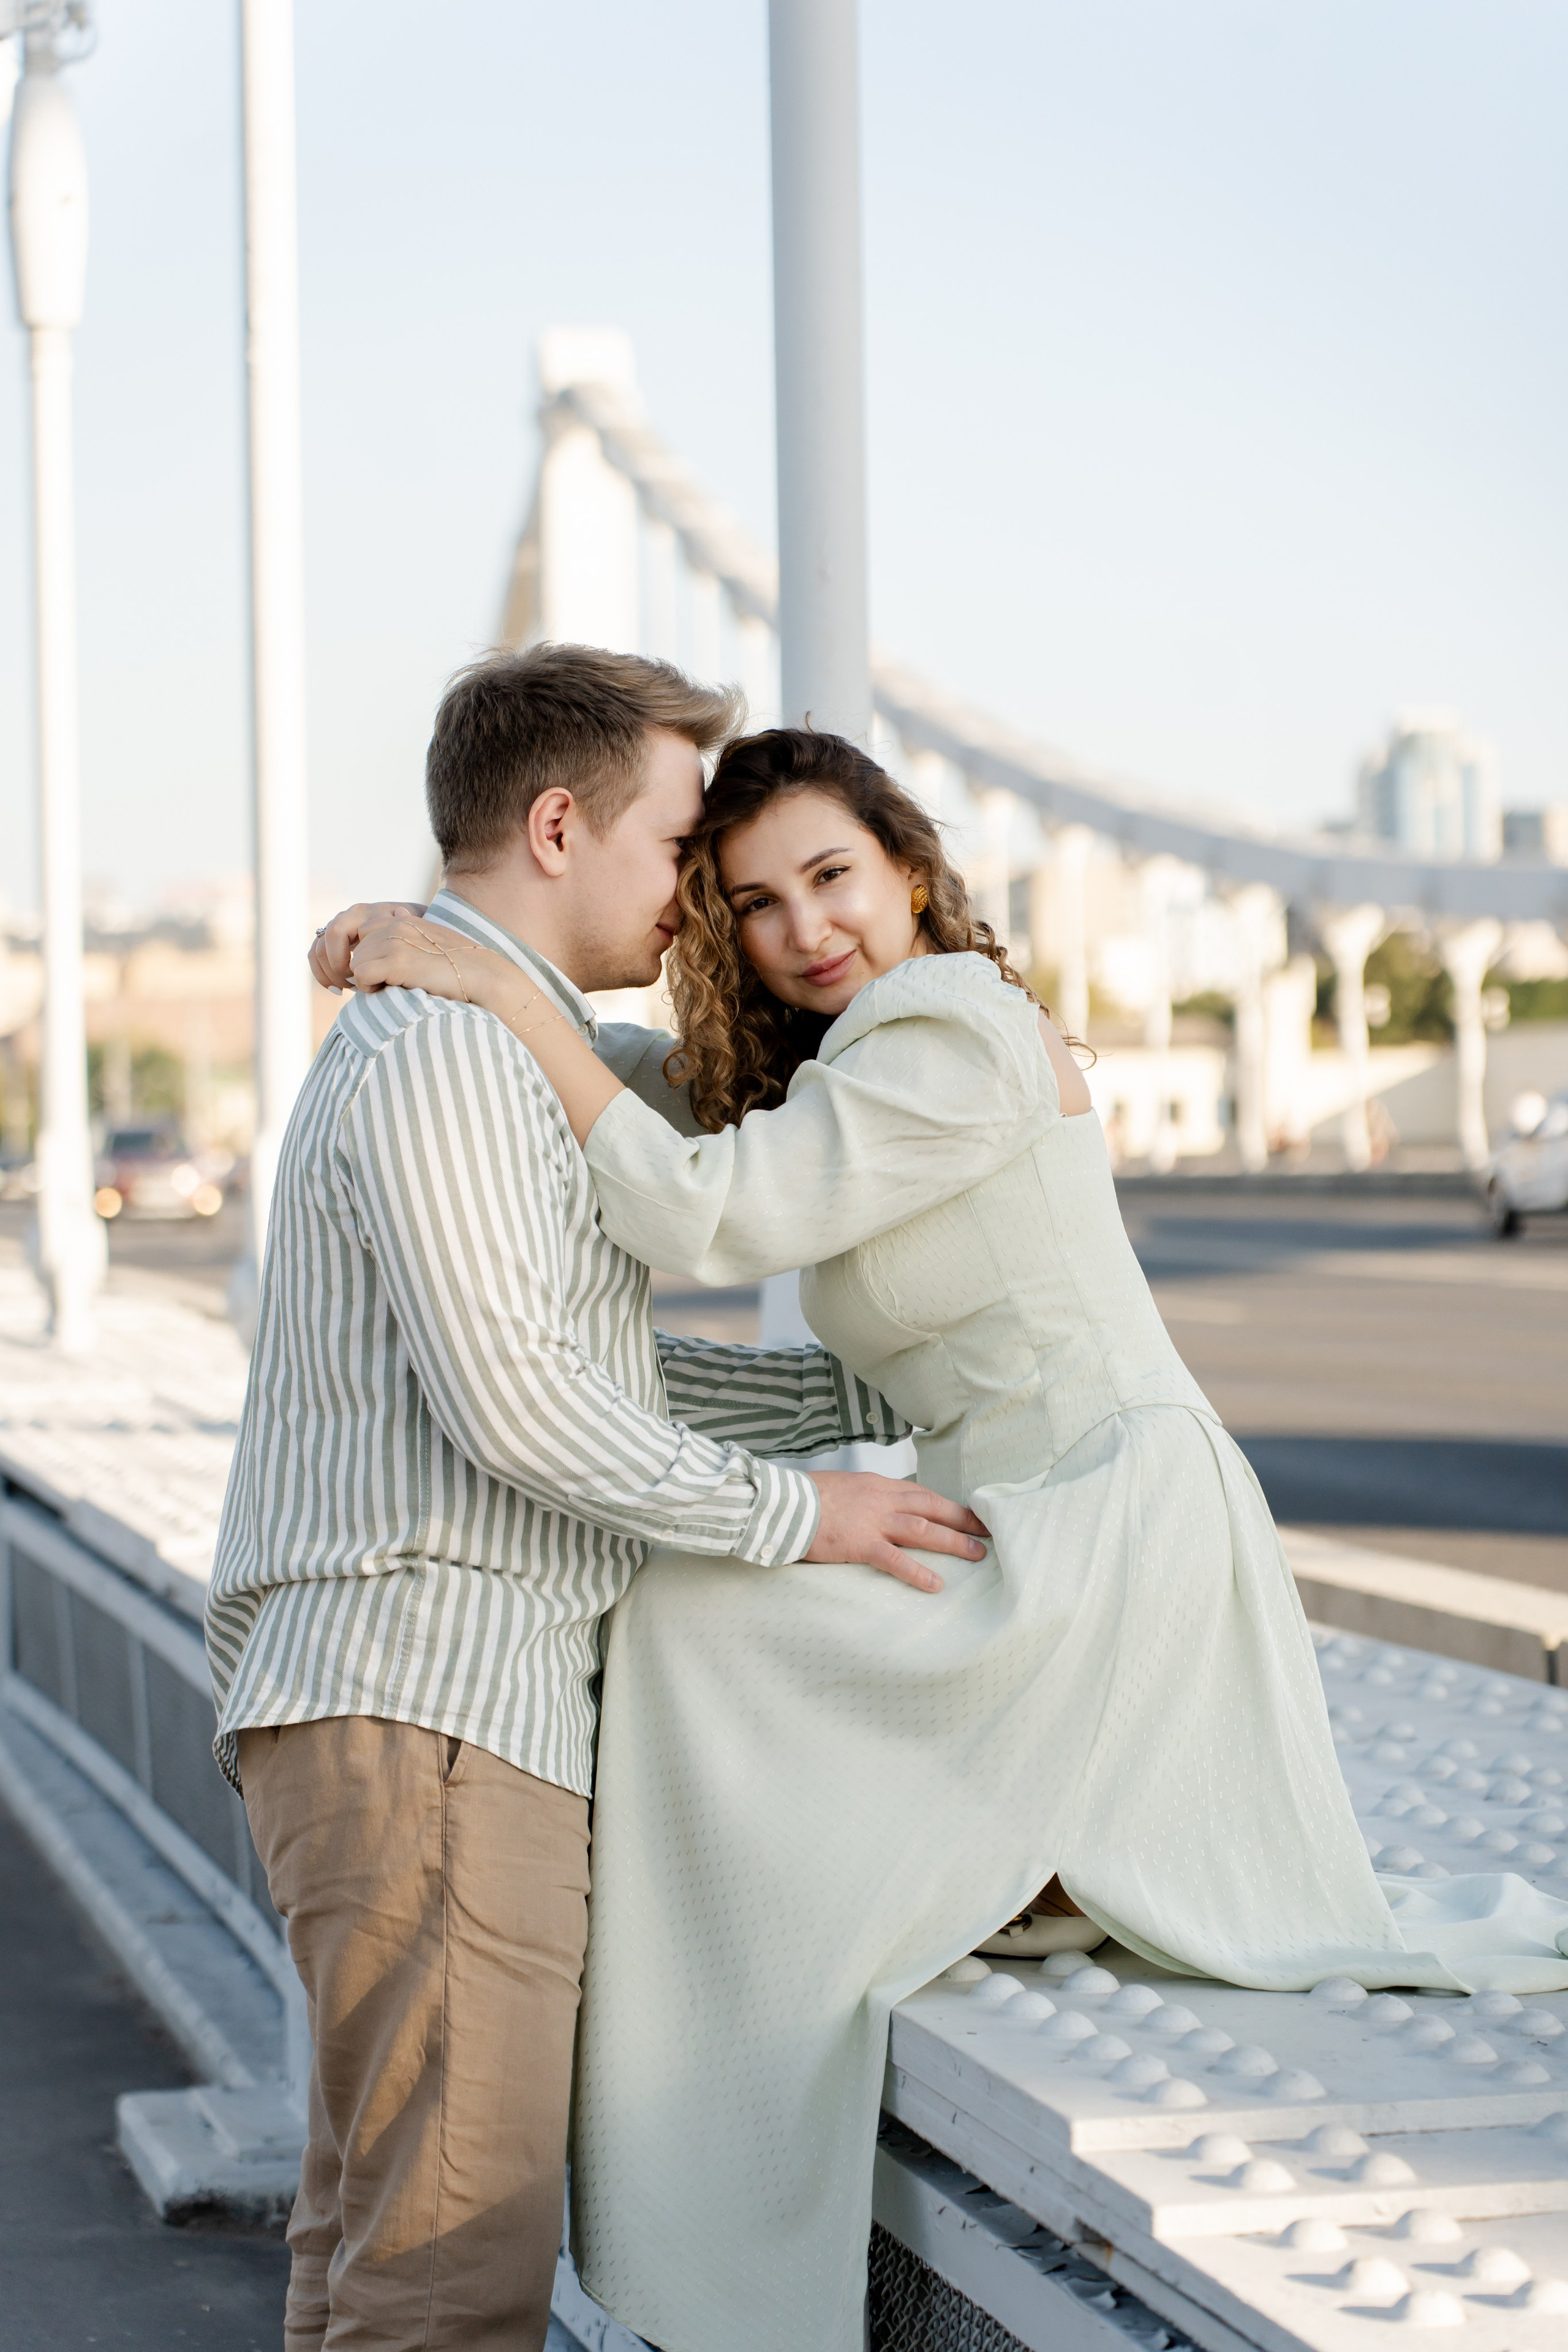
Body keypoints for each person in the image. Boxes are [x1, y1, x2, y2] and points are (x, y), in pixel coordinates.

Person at [334, 723, 1568, 2352]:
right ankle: (821, 2042)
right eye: (754, 903)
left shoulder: (960, 1031)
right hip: (1015, 1519)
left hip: (1110, 1525)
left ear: (909, 869)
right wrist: (452, 968)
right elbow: (662, 1105)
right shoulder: (854, 1062)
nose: (803, 928)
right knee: (701, 1603)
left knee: (706, 1618)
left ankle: (763, 2118)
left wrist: (494, 997)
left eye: (831, 876)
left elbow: (711, 1212)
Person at [206, 649, 987, 2352]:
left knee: (373, 2251)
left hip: (421, 1708)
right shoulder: (442, 1058)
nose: (698, 898)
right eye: (679, 849)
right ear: (561, 827)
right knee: (448, 2282)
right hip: (429, 1714)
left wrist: (857, 1398)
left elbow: (595, 1375)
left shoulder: (498, 1041)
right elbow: (526, 1413)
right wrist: (817, 1518)